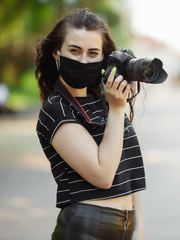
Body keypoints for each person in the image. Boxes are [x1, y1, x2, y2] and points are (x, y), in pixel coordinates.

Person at [35, 8, 146, 240]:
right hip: (85, 229)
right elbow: (103, 175)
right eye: (74, 50)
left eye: (92, 53)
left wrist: (139, 229)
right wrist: (117, 109)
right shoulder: (57, 108)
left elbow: (126, 168)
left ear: (102, 57)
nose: (83, 60)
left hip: (127, 226)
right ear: (57, 53)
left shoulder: (105, 98)